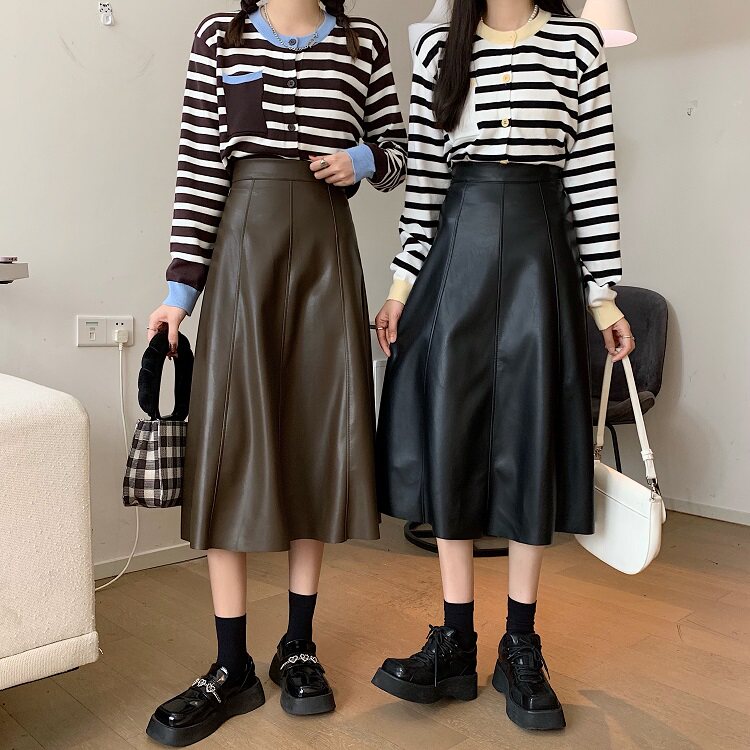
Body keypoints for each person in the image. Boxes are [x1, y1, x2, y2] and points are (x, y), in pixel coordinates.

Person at [144, 0, 406, 744]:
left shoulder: (363, 40)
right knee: (228, 448)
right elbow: (200, 166)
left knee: (315, 442)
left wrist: (362, 160)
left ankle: (298, 645)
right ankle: (231, 666)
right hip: (241, 250)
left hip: (327, 253)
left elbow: (399, 150)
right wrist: (179, 295)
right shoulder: (219, 37)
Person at [372, 0, 634, 732]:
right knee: (453, 442)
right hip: (454, 262)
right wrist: (399, 288)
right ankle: (456, 639)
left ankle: (520, 642)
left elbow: (593, 177)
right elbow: (425, 186)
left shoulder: (578, 44)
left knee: (528, 441)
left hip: (539, 262)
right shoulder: (437, 47)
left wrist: (604, 298)